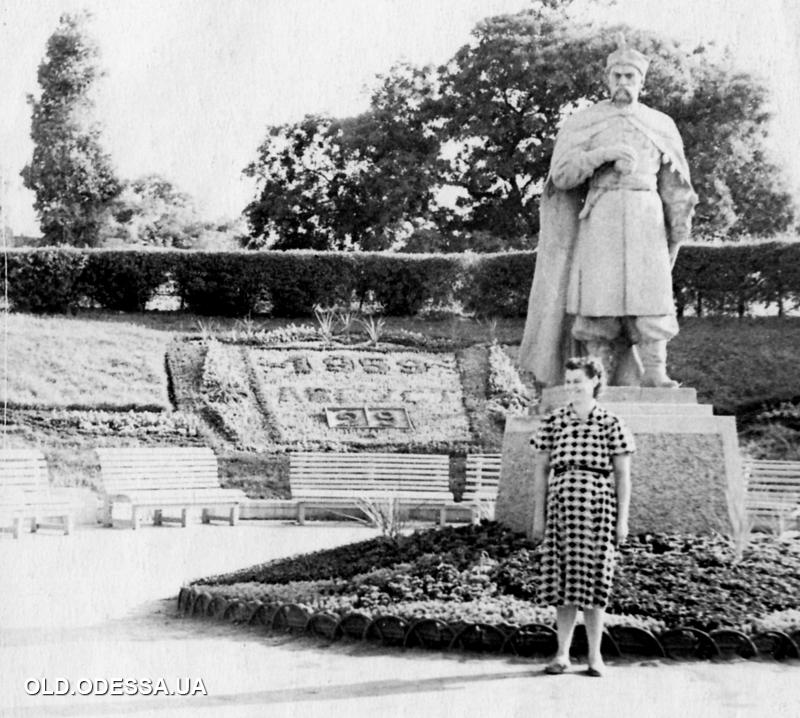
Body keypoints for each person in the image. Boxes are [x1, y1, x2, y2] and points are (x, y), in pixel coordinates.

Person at [519, 38, 697, 388]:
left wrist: (679, 224)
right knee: (598, 299)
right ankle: (593, 375)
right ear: (606, 79)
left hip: (647, 216)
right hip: (601, 215)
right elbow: (562, 177)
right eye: (616, 75)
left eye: (630, 76)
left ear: (642, 81)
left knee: (651, 298)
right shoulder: (585, 122)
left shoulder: (660, 124)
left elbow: (675, 185)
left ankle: (655, 373)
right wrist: (603, 154)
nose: (622, 82)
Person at [530, 356, 635, 677]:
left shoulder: (610, 422)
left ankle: (594, 656)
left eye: (579, 380)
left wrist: (622, 520)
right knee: (562, 584)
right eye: (570, 380)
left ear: (595, 382)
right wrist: (538, 517)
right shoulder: (554, 421)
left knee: (594, 583)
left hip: (597, 509)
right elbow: (541, 471)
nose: (574, 386)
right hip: (561, 508)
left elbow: (622, 475)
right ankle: (561, 654)